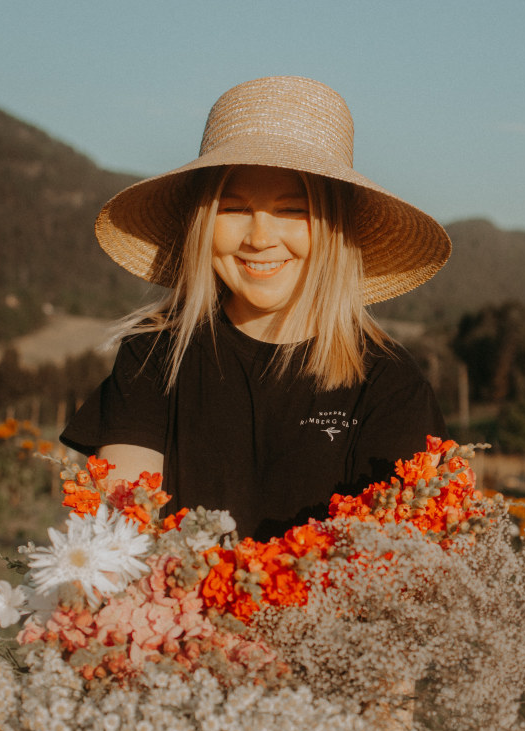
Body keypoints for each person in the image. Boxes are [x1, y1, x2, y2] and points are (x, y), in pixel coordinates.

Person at [61, 76, 451, 540]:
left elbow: (400, 555)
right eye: (234, 208)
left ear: (336, 230)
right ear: (202, 222)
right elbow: (121, 535)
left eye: (292, 210)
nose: (260, 238)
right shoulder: (153, 356)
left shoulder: (390, 384)